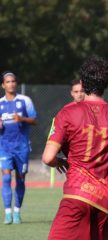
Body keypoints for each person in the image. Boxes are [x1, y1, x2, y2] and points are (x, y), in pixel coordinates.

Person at [42, 55, 108, 240]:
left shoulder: (68, 113)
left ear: (82, 82)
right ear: (106, 84)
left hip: (77, 195)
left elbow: (48, 158)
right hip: (106, 201)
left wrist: (58, 162)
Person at [0, 71, 37, 225]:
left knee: (20, 180)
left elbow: (34, 120)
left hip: (22, 147)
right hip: (4, 147)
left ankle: (17, 212)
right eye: (8, 81)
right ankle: (7, 213)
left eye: (13, 81)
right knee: (6, 178)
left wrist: (21, 118)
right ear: (3, 85)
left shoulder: (25, 100)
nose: (11, 84)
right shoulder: (0, 103)